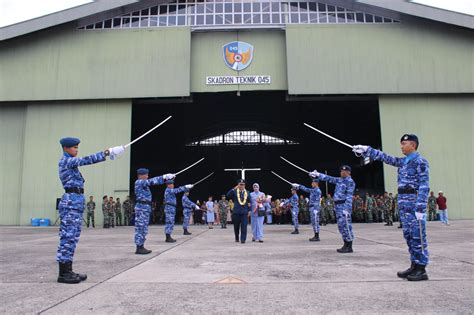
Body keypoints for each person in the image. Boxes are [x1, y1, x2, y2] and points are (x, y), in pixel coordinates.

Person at [354, 133, 430, 281]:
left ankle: (421, 269)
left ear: (413, 145)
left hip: (414, 203)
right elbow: (387, 158)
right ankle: (414, 264)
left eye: (404, 143)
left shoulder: (421, 162)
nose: (401, 146)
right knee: (408, 235)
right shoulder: (403, 162)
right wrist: (368, 150)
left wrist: (420, 208)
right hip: (404, 203)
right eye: (401, 143)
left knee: (418, 236)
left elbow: (424, 186)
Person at [56, 137, 124, 284]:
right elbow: (86, 160)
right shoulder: (66, 161)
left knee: (73, 237)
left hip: (76, 201)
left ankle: (68, 270)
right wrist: (108, 152)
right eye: (73, 147)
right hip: (70, 203)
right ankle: (63, 273)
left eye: (77, 147)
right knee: (67, 238)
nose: (76, 149)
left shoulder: (70, 163)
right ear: (65, 148)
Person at [312, 165, 355, 253]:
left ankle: (349, 245)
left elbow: (349, 196)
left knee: (346, 225)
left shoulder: (350, 182)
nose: (342, 172)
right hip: (337, 206)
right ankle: (345, 244)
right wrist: (317, 174)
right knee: (341, 226)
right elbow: (328, 178)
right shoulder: (339, 180)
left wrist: (347, 209)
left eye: (344, 171)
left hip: (344, 206)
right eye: (341, 171)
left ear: (349, 172)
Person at [134, 168, 175, 254]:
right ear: (141, 175)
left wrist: (166, 178)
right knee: (140, 228)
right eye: (146, 175)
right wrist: (164, 177)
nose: (147, 176)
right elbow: (152, 181)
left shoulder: (143, 183)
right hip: (142, 208)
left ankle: (141, 246)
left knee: (144, 228)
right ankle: (139, 247)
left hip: (144, 208)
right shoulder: (139, 182)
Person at [226, 179, 251, 243]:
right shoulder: (235, 191)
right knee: (236, 227)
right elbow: (228, 195)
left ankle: (243, 239)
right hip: (236, 212)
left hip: (244, 213)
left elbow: (249, 202)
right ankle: (237, 237)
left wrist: (249, 210)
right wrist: (234, 188)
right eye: (240, 184)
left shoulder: (247, 192)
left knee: (244, 226)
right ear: (238, 185)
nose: (241, 186)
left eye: (243, 185)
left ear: (245, 185)